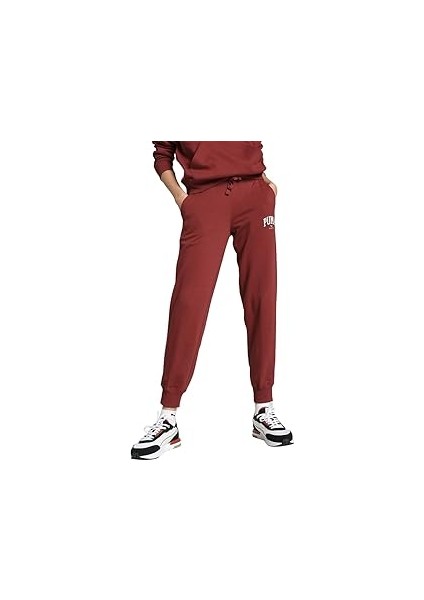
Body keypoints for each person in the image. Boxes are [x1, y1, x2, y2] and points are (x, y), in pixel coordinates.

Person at [131, 141, 293, 460]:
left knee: (262, 299)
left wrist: (267, 185)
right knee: (189, 303)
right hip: (204, 200)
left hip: (255, 197)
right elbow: (162, 155)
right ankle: (168, 416)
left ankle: (264, 407)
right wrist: (182, 199)